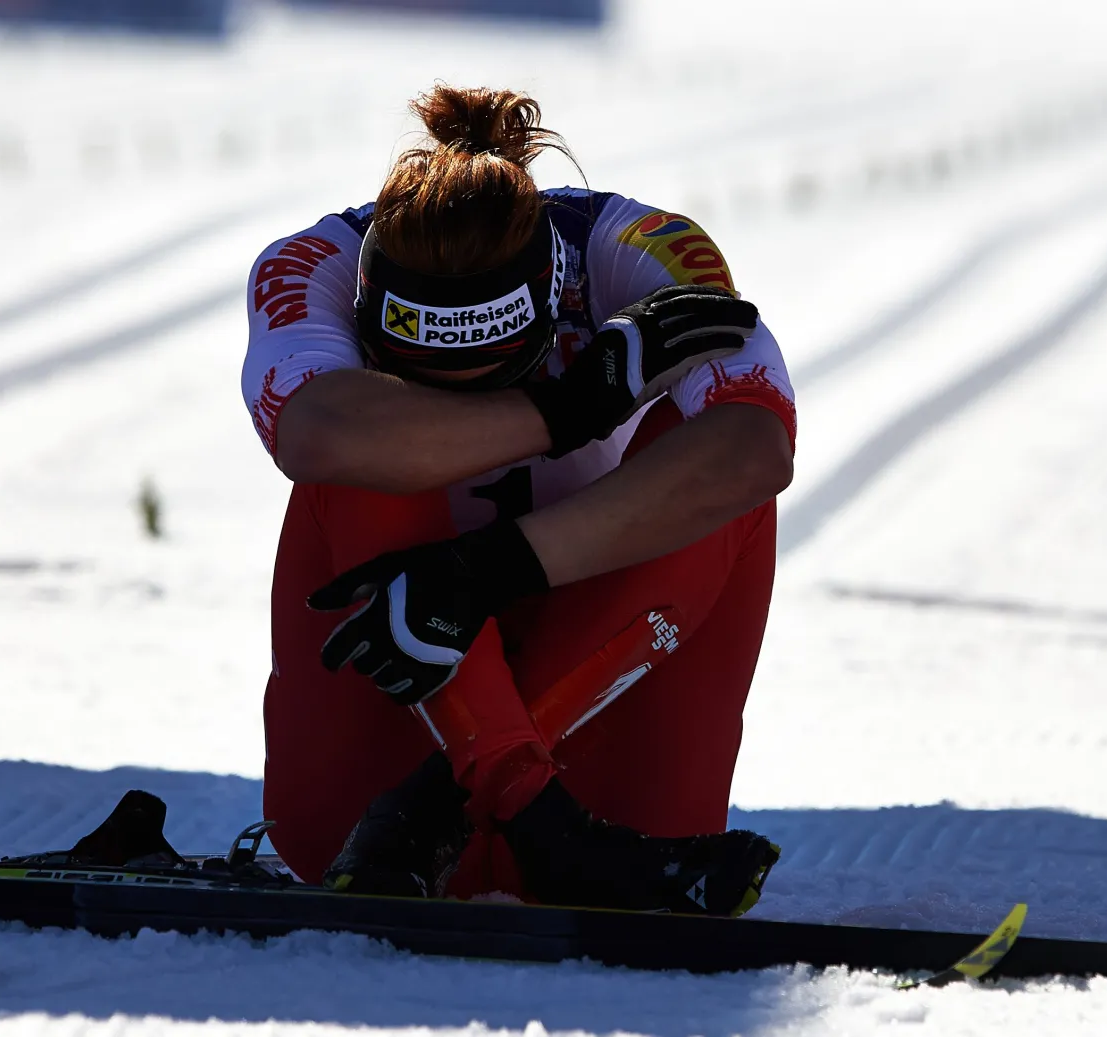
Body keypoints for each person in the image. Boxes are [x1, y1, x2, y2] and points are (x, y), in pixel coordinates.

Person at [241, 85, 796, 916]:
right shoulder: (308, 264)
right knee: (354, 458)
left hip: (515, 783)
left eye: (500, 372)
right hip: (395, 781)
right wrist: (561, 408)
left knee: (723, 478)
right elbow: (317, 434)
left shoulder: (641, 253)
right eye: (425, 393)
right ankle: (529, 808)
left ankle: (493, 794)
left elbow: (757, 450)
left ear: (553, 303)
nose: (459, 414)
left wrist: (491, 568)